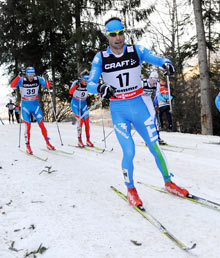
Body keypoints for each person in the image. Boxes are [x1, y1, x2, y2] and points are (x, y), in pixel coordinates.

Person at [87, 17, 188, 207]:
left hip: (139, 106)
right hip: (119, 110)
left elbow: (157, 58)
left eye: (121, 33)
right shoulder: (101, 57)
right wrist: (101, 88)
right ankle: (131, 189)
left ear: (124, 33)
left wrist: (166, 62)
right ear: (107, 36)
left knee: (155, 146)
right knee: (129, 151)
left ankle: (169, 182)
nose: (118, 38)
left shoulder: (136, 51)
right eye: (113, 34)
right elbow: (91, 84)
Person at [10, 67, 55, 154]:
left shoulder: (38, 79)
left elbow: (48, 86)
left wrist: (46, 79)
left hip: (35, 106)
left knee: (42, 124)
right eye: (29, 75)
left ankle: (48, 143)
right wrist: (18, 76)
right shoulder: (22, 80)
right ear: (26, 74)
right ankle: (28, 146)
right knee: (28, 126)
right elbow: (12, 85)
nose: (31, 77)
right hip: (25, 106)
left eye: (32, 75)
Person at [69, 73, 94, 147]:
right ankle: (79, 141)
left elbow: (94, 90)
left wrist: (100, 91)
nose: (86, 82)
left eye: (87, 81)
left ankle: (88, 140)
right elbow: (70, 92)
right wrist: (76, 85)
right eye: (84, 80)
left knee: (86, 121)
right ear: (81, 79)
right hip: (75, 104)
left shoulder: (89, 84)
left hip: (83, 104)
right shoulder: (76, 82)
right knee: (80, 120)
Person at [141, 71, 166, 145]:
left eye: (156, 80)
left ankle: (157, 137)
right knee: (144, 119)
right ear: (150, 78)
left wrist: (154, 104)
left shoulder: (157, 84)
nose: (154, 82)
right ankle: (147, 138)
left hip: (148, 99)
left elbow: (157, 95)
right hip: (140, 99)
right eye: (153, 79)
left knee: (153, 117)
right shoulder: (143, 82)